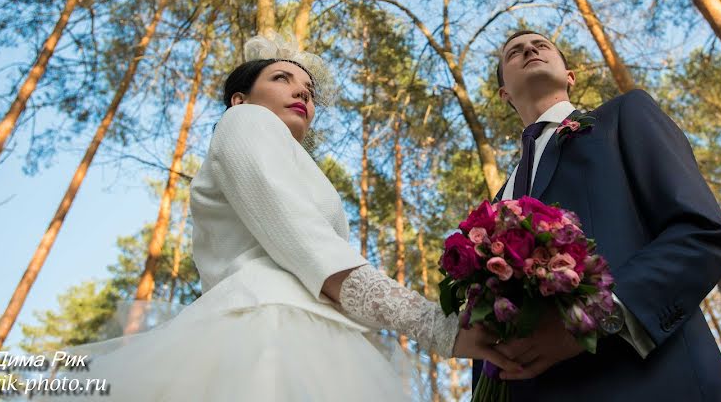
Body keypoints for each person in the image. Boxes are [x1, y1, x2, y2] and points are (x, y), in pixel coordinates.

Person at [69, 32, 518, 400]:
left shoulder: (293, 159)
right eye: (282, 78)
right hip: (269, 329)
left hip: (306, 326)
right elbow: (307, 244)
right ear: (239, 99)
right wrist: (436, 328)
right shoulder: (244, 122)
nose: (302, 90)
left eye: (307, 89)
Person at [478, 30, 721, 401]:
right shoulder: (497, 203)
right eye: (514, 53)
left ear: (570, 76)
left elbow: (700, 232)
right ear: (505, 93)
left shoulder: (622, 117)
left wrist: (590, 318)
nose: (530, 50)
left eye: (542, 45)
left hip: (652, 381)